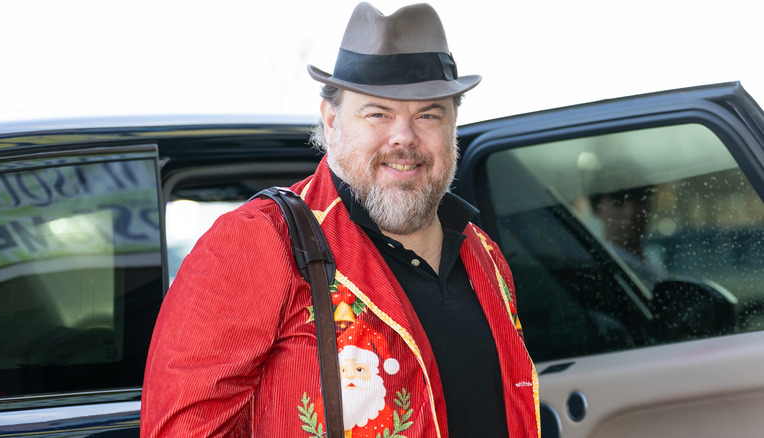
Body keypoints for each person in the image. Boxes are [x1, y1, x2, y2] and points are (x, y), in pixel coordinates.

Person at [141, 3, 540, 437]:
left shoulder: (485, 255)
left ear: (452, 126)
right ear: (331, 121)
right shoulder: (259, 240)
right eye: (378, 113)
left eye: (428, 114)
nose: (404, 137)